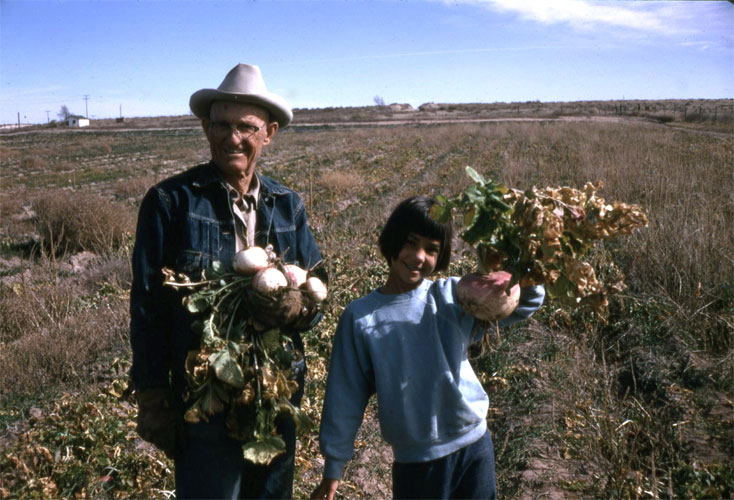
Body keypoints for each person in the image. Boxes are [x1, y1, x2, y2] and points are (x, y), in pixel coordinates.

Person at [129, 63, 324, 499]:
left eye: (245, 127)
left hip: (275, 390)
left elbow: (317, 285)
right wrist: (152, 395)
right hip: (203, 396)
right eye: (220, 125)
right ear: (205, 127)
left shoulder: (288, 205)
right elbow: (147, 306)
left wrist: (300, 307)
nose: (231, 138)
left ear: (268, 132)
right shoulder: (170, 202)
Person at [310, 195, 545, 500]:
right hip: (417, 463)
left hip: (475, 446)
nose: (419, 256)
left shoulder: (451, 297)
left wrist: (518, 261)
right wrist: (333, 469)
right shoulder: (361, 317)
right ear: (392, 240)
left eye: (432, 249)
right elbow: (345, 396)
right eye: (410, 242)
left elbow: (524, 304)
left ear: (441, 255)